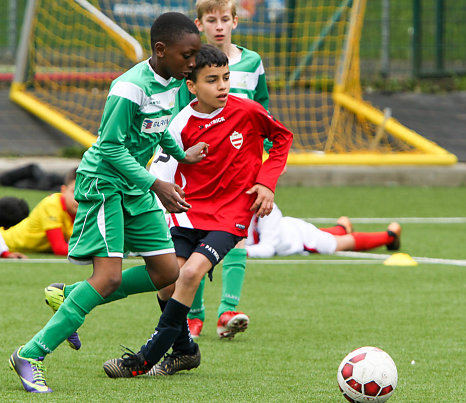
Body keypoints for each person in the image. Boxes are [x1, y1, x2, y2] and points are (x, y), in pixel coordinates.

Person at [9, 12, 207, 394]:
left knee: (167, 272)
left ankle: (70, 297)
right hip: (104, 185)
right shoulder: (128, 87)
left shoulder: (173, 82)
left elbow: (160, 125)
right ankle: (30, 354)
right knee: (108, 277)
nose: (193, 63)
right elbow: (111, 146)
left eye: (196, 55)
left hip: (135, 186)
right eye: (188, 55)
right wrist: (157, 184)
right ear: (161, 50)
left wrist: (181, 155)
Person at [102, 44, 292, 378]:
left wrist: (266, 182)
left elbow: (281, 139)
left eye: (226, 78)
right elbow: (160, 169)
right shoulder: (180, 123)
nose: (222, 86)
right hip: (188, 213)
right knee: (166, 281)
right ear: (192, 86)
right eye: (212, 80)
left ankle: (145, 359)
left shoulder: (247, 111)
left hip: (232, 213)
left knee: (190, 274)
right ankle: (186, 350)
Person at [178, 0, 271, 340]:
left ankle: (227, 310)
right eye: (211, 20)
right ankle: (194, 315)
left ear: (235, 21)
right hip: (201, 169)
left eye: (224, 19)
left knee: (238, 234)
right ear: (199, 24)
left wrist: (267, 170)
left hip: (242, 170)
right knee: (197, 237)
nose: (219, 26)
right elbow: (182, 114)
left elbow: (263, 112)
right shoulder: (190, 66)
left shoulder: (252, 62)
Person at [245, 203, 402, 258]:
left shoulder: (266, 208)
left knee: (340, 243)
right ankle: (342, 227)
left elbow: (268, 249)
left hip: (301, 239)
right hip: (290, 229)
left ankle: (390, 235)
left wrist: (240, 252)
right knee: (322, 234)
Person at [0, 169, 77, 259]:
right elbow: (59, 249)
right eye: (74, 191)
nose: (79, 198)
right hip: (5, 241)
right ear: (63, 190)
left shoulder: (88, 209)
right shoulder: (52, 204)